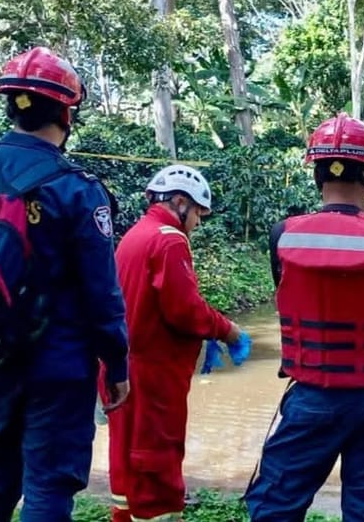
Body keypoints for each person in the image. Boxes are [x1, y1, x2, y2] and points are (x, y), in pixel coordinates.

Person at [0, 47, 130, 521]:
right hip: (59, 365)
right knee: (48, 483)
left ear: (9, 104)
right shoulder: (78, 188)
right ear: (68, 111)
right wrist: (118, 363)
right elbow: (102, 293)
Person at [246, 113, 364, 522]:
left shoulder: (283, 236)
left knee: (275, 506)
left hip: (310, 396)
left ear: (316, 173)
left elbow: (291, 300)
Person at [101, 164, 252, 522]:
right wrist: (226, 330)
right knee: (156, 463)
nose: (198, 222)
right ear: (180, 202)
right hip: (153, 375)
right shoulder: (169, 238)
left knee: (126, 461)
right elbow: (184, 310)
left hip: (122, 368)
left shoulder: (136, 235)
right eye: (199, 212)